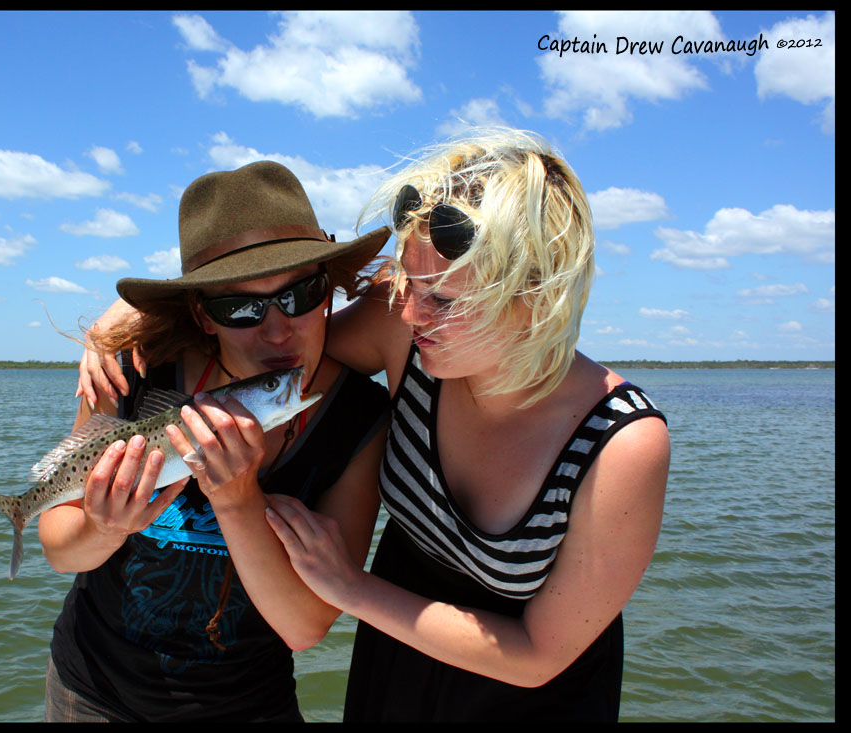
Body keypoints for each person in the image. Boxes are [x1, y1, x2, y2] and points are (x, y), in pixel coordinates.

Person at [79, 128, 670, 721]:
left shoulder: (621, 443)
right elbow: (274, 332)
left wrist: (351, 588)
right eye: (408, 283)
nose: (409, 310)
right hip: (394, 667)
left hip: (524, 694)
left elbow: (540, 655)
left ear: (539, 296)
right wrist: (137, 315)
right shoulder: (404, 335)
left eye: (441, 299)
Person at [40, 160, 391, 722]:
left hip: (247, 705)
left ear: (329, 292)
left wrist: (236, 498)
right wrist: (102, 526)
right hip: (91, 692)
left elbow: (305, 626)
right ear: (203, 315)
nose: (278, 330)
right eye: (241, 307)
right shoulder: (129, 373)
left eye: (301, 295)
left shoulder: (361, 419)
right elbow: (58, 548)